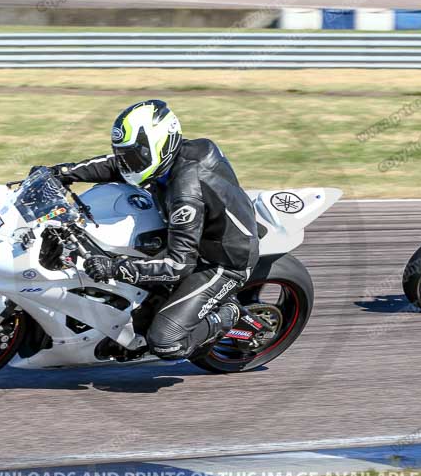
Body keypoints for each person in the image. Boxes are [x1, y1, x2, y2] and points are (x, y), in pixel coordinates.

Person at [37, 100, 259, 360]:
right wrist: (60, 172)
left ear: (161, 147)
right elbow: (113, 165)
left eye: (135, 156)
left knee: (166, 343)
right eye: (125, 155)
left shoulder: (186, 194)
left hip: (220, 262)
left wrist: (115, 267)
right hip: (192, 235)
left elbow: (179, 265)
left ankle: (227, 315)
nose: (127, 164)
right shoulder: (175, 157)